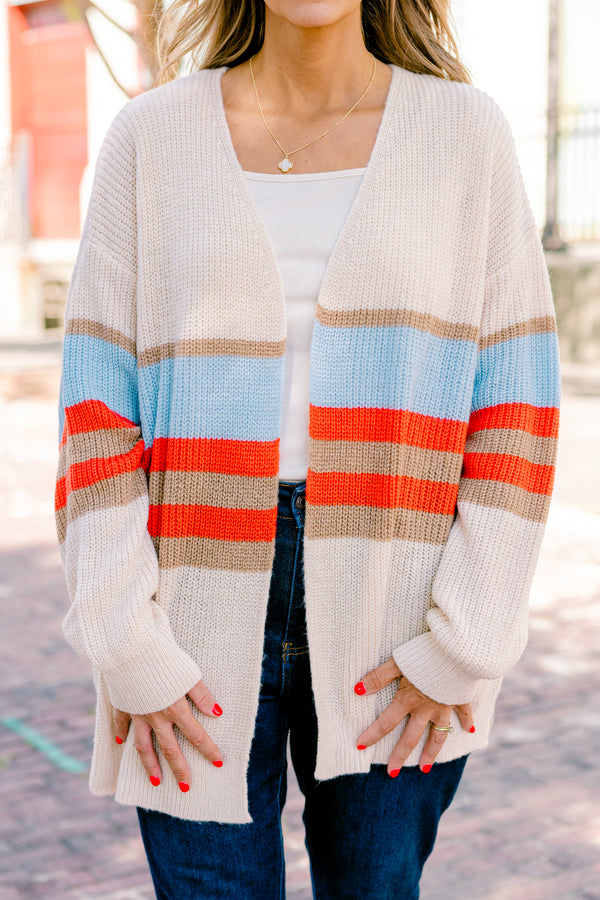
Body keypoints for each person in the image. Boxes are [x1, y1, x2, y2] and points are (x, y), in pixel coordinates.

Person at [54, 1, 561, 897]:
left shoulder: (464, 136)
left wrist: (464, 641)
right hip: (189, 615)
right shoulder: (150, 139)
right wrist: (125, 639)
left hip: (400, 618)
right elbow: (95, 411)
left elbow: (516, 405)